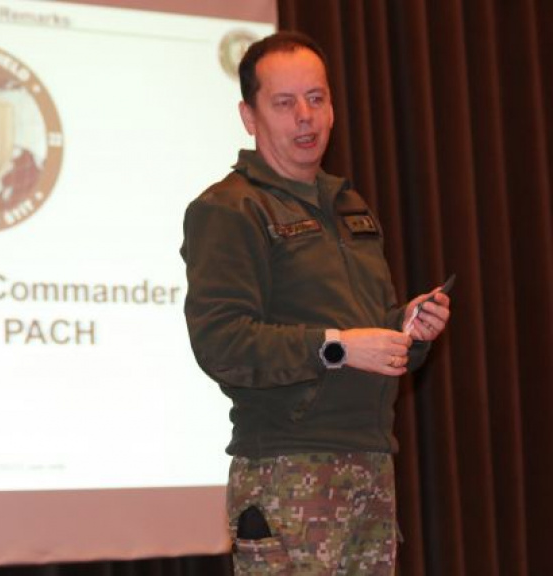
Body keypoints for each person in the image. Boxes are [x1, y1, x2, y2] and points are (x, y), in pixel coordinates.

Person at [180, 31, 451, 575]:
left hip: (371, 463)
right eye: (284, 103)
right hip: (287, 471)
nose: (305, 116)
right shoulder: (231, 209)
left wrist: (407, 330)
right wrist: (338, 347)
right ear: (249, 116)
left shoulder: (348, 205)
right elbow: (222, 342)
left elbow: (369, 333)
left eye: (316, 98)